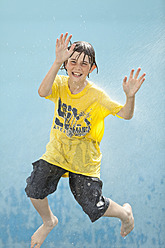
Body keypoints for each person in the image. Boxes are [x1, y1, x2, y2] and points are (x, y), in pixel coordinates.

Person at [25, 32, 146, 248]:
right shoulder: (60, 84)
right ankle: (48, 221)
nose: (77, 67)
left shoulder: (97, 96)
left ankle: (125, 213)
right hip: (58, 153)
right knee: (35, 187)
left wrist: (130, 97)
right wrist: (56, 61)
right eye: (73, 61)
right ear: (66, 64)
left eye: (84, 63)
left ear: (92, 69)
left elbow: (126, 115)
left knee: (93, 205)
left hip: (84, 161)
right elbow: (42, 92)